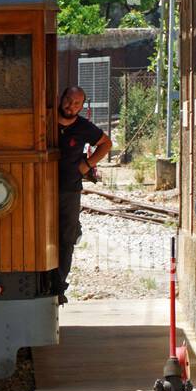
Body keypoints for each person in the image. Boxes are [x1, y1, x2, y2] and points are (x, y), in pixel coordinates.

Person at [55, 86, 112, 303]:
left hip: (69, 189)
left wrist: (87, 164)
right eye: (69, 101)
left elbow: (106, 144)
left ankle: (59, 285)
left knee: (66, 239)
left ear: (82, 106)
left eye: (77, 103)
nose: (71, 106)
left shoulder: (83, 127)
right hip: (42, 188)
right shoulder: (47, 119)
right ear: (62, 99)